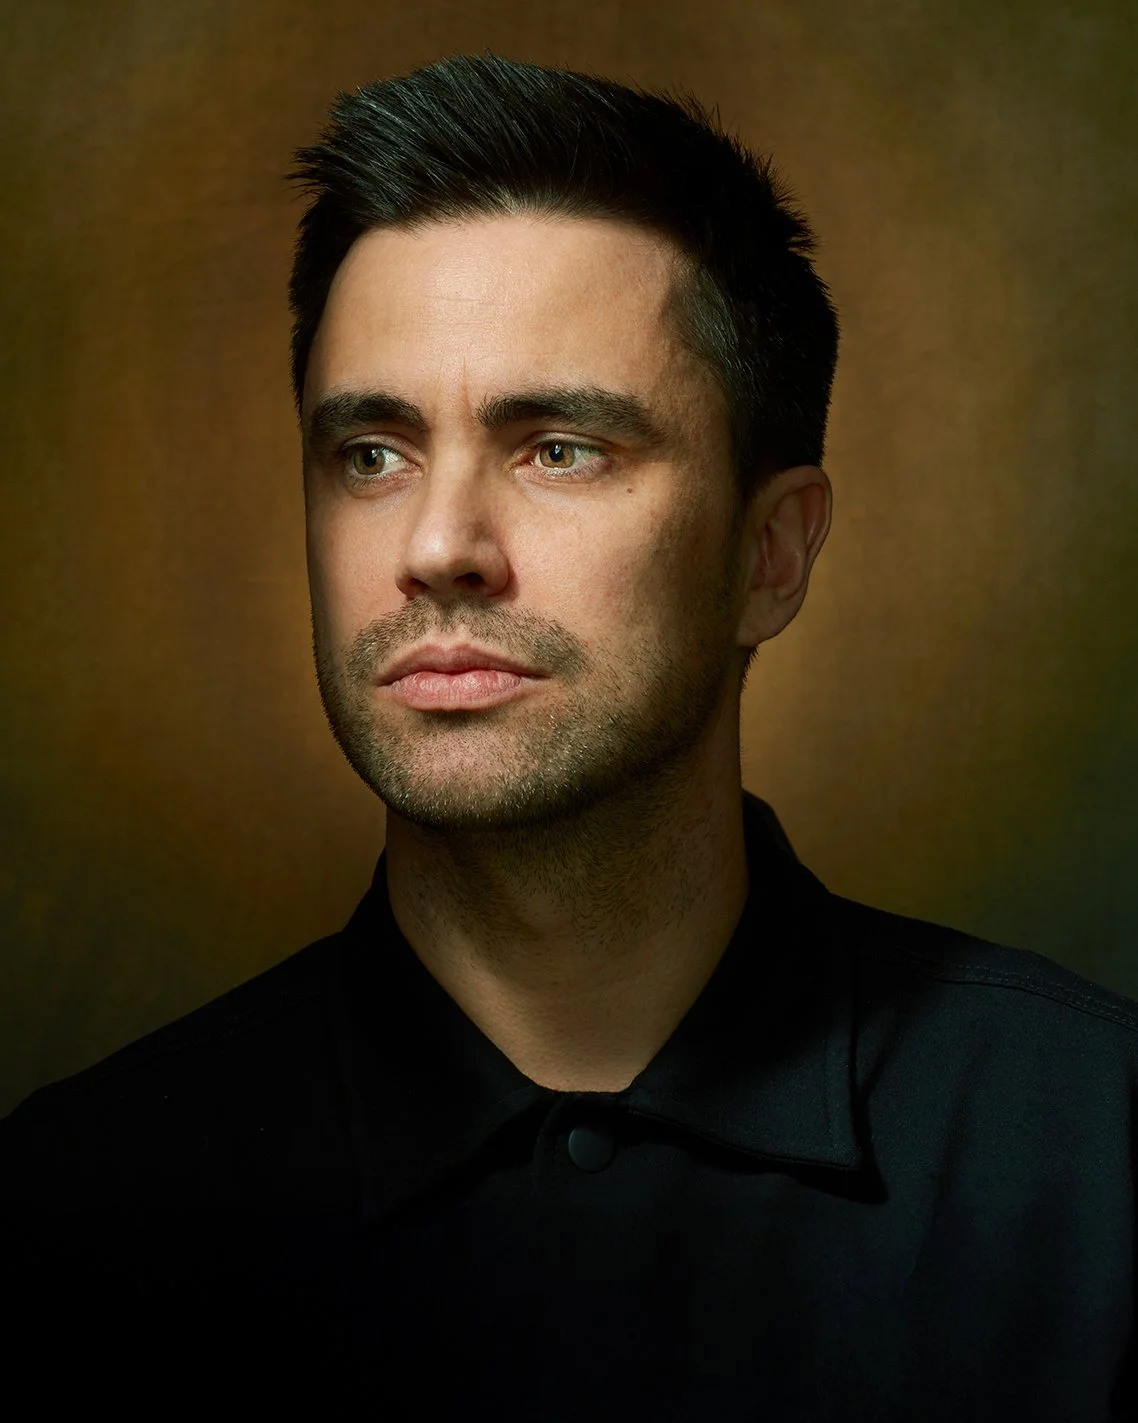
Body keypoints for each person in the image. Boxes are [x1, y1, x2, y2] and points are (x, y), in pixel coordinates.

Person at [1, 53, 1133, 1420]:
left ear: (770, 555)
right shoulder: (72, 1213)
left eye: (559, 448)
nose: (436, 548)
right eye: (372, 453)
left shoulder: (1100, 1153)